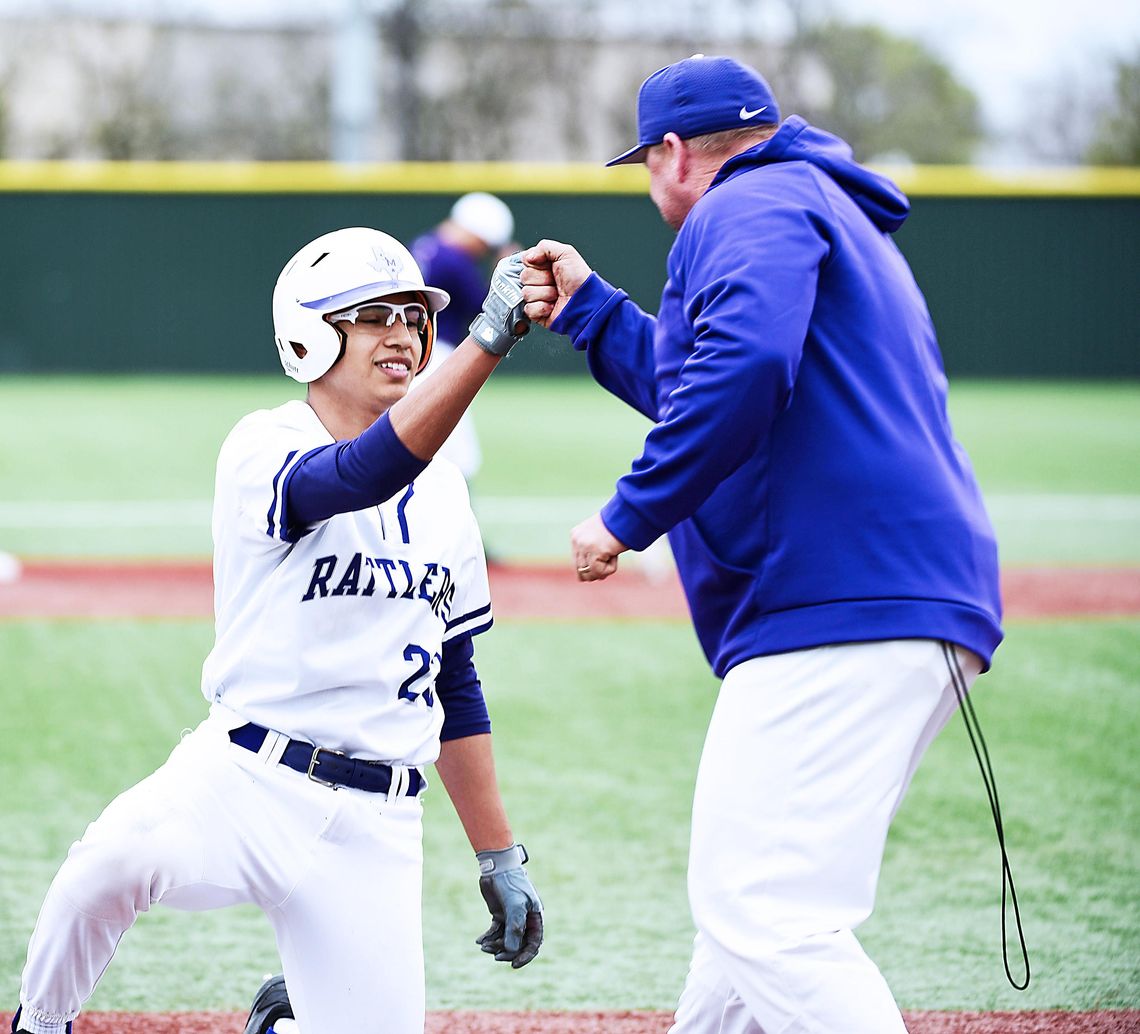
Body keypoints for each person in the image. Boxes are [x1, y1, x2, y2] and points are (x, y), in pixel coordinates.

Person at [520, 54, 1002, 1034]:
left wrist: (629, 512)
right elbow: (714, 379)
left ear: (670, 152)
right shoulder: (806, 202)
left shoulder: (749, 207)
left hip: (839, 600)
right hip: (886, 593)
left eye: (645, 164)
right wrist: (593, 313)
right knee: (741, 935)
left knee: (767, 917)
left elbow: (741, 370)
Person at [10, 227, 541, 1034]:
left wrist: (498, 852)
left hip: (377, 823)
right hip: (245, 778)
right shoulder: (265, 444)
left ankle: (288, 1022)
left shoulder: (445, 496)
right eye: (372, 315)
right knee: (108, 865)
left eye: (413, 316)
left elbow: (455, 683)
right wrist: (488, 340)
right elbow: (360, 474)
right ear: (308, 334)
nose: (402, 333)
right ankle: (44, 1026)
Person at [410, 192, 518, 483]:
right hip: (437, 355)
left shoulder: (425, 244)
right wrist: (503, 271)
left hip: (415, 352)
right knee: (459, 453)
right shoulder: (453, 259)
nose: (481, 251)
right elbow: (481, 307)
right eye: (484, 244)